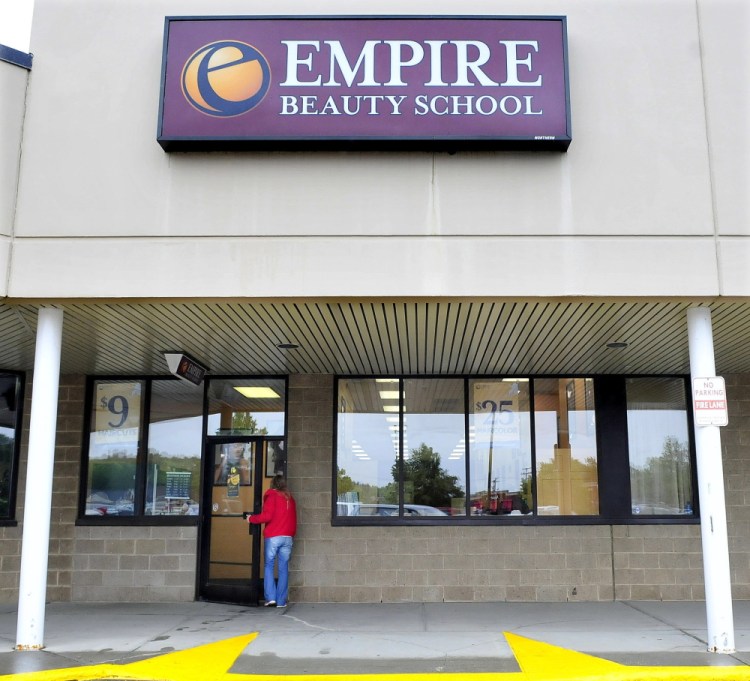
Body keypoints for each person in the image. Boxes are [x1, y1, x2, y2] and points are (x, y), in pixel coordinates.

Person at [247, 474, 297, 607]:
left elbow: (267, 516)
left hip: (274, 536)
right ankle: (281, 601)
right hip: (287, 537)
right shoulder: (290, 499)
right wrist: (291, 534)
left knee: (269, 565)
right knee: (283, 568)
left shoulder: (272, 496)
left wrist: (251, 518)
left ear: (273, 484)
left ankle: (270, 597)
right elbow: (294, 520)